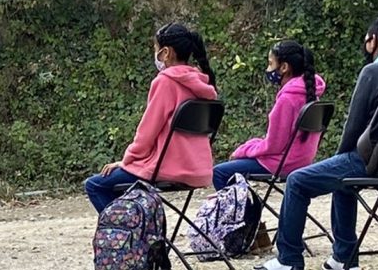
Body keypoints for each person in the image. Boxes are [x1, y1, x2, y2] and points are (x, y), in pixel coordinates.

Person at [253, 15, 378, 270]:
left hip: (371, 162)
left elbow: (354, 125)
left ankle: (289, 260)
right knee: (343, 184)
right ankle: (343, 258)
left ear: (375, 42)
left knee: (297, 181)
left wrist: (341, 157)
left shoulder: (372, 72)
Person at [83, 23, 218, 213]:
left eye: (155, 49)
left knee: (95, 185)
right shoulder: (203, 84)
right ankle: (143, 233)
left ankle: (129, 236)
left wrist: (126, 161)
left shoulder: (166, 82)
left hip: (166, 169)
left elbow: (147, 133)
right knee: (122, 186)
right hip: (198, 171)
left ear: (166, 53)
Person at [212, 40, 327, 189]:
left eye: (270, 64)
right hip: (303, 161)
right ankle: (245, 208)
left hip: (282, 163)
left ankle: (240, 211)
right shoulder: (312, 95)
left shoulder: (287, 99)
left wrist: (244, 150)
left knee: (219, 172)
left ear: (284, 67)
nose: (268, 69)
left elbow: (274, 146)